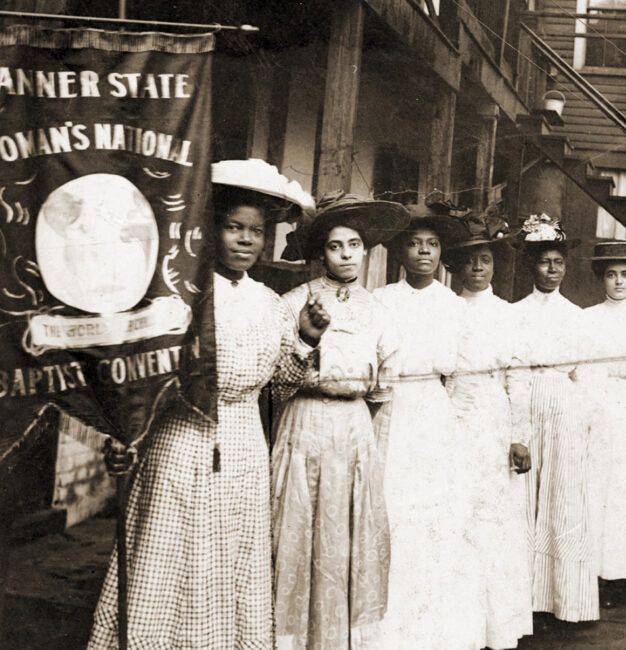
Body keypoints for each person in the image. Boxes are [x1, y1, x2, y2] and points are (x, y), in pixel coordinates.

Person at [88, 159, 330, 649]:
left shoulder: (269, 302)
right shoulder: (179, 293)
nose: (245, 240)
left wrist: (306, 340)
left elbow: (278, 387)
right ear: (209, 230)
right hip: (180, 441)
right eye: (233, 227)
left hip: (243, 444)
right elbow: (138, 375)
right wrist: (121, 437)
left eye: (256, 231)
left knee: (231, 559)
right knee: (171, 552)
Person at [271, 191, 408, 649]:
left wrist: (352, 410)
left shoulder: (379, 310)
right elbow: (278, 379)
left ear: (366, 249)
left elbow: (383, 386)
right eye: (335, 246)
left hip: (353, 428)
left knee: (348, 531)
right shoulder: (294, 303)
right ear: (321, 252)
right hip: (304, 423)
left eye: (354, 245)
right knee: (298, 527)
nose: (346, 254)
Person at [372, 200, 486, 649]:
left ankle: (435, 628)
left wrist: (456, 430)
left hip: (434, 415)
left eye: (432, 245)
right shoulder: (381, 300)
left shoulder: (455, 306)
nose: (424, 252)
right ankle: (390, 628)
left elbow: (462, 376)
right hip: (392, 411)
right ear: (400, 252)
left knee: (437, 516)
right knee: (393, 509)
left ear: (442, 254)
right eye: (415, 244)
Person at [441, 208, 533, 649]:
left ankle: (495, 627)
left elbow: (518, 375)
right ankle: (457, 627)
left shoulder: (508, 314)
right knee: (453, 514)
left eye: (486, 260)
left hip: (494, 419)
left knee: (493, 520)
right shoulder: (445, 309)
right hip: (452, 412)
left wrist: (519, 435)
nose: (478, 268)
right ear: (455, 265)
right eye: (470, 260)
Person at [507, 213, 599, 623]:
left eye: (557, 262)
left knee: (563, 498)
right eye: (544, 261)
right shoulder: (514, 314)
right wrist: (517, 427)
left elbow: (588, 374)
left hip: (564, 405)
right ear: (532, 265)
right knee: (523, 498)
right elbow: (512, 371)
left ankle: (565, 600)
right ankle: (524, 598)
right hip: (526, 399)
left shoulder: (577, 317)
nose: (551, 269)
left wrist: (580, 418)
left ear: (565, 266)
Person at [583, 241, 626, 595]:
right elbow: (583, 372)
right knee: (604, 486)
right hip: (603, 407)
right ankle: (605, 574)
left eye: (625, 274)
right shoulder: (589, 318)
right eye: (611, 275)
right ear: (602, 279)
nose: (619, 282)